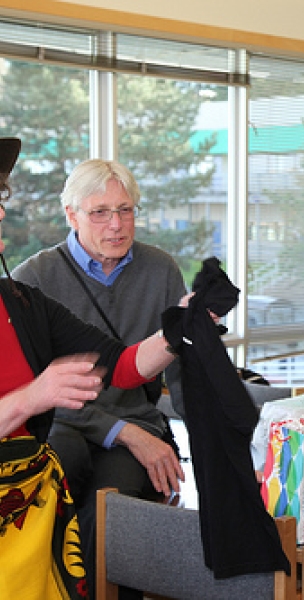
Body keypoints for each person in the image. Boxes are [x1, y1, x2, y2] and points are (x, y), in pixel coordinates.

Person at [0, 137, 185, 598]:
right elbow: (45, 400)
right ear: (72, 215)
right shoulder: (33, 277)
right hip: (47, 446)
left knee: (107, 514)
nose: (117, 225)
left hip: (55, 456)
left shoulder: (20, 300)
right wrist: (37, 397)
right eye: (100, 212)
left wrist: (180, 329)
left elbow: (122, 366)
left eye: (126, 210)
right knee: (64, 476)